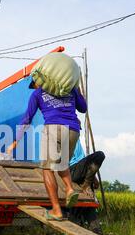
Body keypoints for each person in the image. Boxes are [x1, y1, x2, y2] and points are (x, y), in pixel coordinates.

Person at [7, 80, 87, 221]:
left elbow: (27, 118)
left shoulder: (37, 94)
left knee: (47, 168)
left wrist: (15, 141)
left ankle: (56, 210)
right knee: (62, 164)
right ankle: (69, 188)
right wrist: (78, 91)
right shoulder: (70, 89)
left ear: (39, 82)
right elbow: (83, 108)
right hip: (73, 130)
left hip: (53, 129)